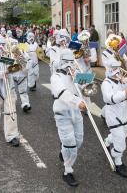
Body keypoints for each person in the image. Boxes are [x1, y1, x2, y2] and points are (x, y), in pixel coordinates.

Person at [51, 49, 87, 187]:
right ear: (61, 62)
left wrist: (81, 80)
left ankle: (64, 150)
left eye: (71, 62)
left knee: (78, 141)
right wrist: (77, 102)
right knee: (71, 145)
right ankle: (68, 171)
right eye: (66, 62)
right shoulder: (56, 77)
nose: (69, 65)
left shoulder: (75, 74)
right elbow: (61, 93)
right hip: (62, 113)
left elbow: (86, 87)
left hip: (76, 112)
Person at [102, 59, 127, 178]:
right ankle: (118, 163)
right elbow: (110, 98)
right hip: (112, 116)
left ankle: (106, 141)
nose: (118, 71)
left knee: (123, 134)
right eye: (115, 68)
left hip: (123, 114)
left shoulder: (120, 81)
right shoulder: (106, 83)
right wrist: (124, 92)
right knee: (120, 142)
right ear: (109, 69)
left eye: (118, 68)